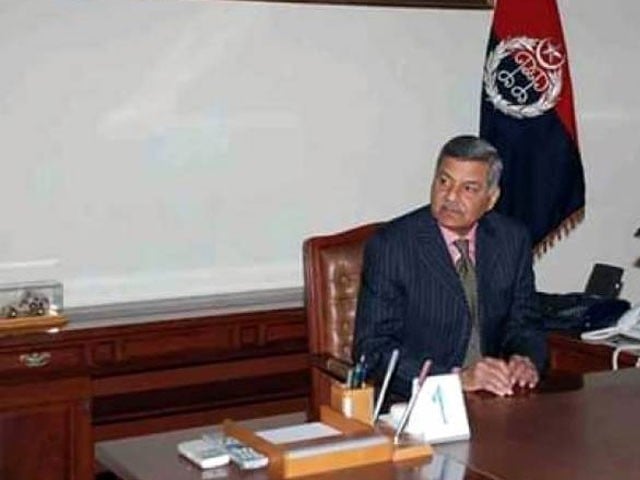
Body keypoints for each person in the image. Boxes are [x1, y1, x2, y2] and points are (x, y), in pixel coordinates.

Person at [353, 134, 547, 398]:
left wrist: (525, 360)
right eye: (444, 182)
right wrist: (455, 379)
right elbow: (373, 352)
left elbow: (524, 323)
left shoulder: (511, 239)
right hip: (416, 402)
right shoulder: (392, 245)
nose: (451, 196)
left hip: (493, 397)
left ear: (491, 198)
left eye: (468, 188)